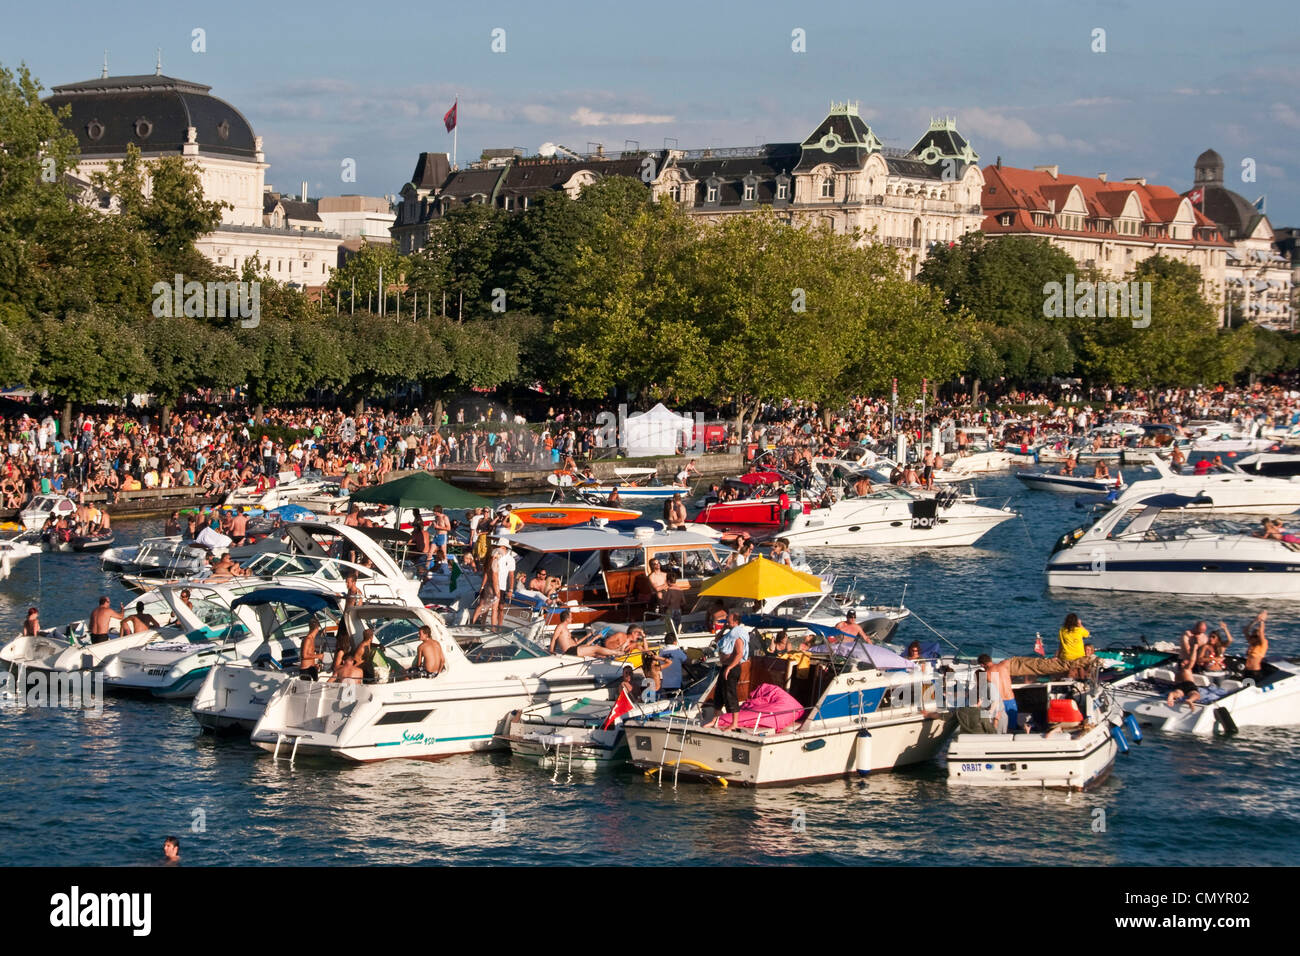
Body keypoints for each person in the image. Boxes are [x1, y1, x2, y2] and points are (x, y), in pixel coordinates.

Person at [709, 612, 750, 723]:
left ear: (736, 621)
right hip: (725, 666)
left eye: (729, 619)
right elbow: (717, 639)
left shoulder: (738, 634)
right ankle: (714, 720)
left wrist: (730, 667)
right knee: (718, 693)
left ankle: (734, 723)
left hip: (732, 668)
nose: (727, 620)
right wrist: (723, 628)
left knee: (730, 694)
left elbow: (740, 653)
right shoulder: (730, 633)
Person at [980, 654, 1018, 732]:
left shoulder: (987, 674)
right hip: (1011, 699)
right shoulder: (1004, 665)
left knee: (1001, 727)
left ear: (982, 665)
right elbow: (1012, 659)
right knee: (1012, 727)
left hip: (1000, 703)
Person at [1243, 611, 1268, 683]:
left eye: (1256, 636)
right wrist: (1254, 621)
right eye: (1253, 635)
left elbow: (1261, 632)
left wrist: (1262, 621)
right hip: (1247, 671)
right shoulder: (1252, 643)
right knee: (1245, 690)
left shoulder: (1263, 644)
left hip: (1255, 672)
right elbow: (1245, 630)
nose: (1253, 637)